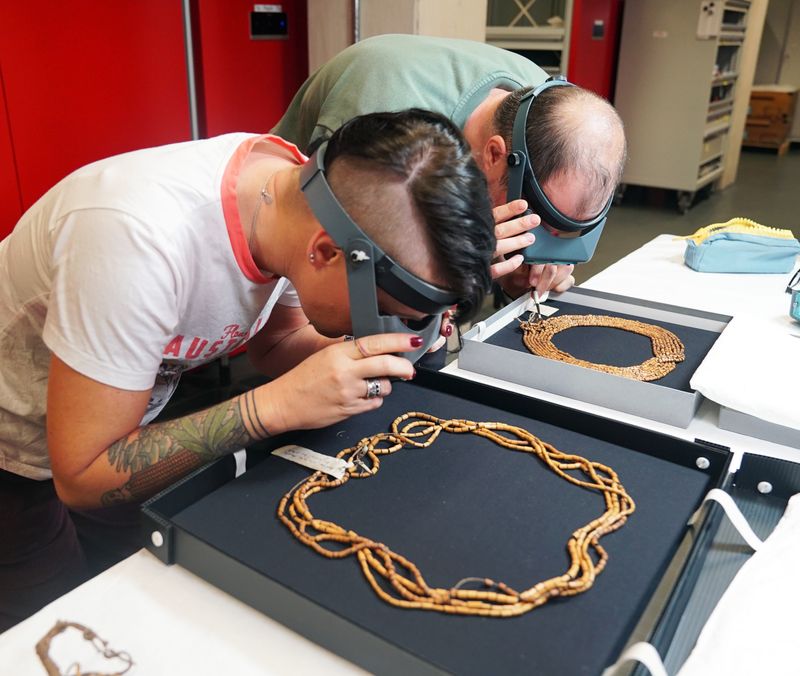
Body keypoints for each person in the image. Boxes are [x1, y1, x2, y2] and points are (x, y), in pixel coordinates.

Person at [0, 109, 495, 630]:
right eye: (387, 310)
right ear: (328, 252)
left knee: (147, 588)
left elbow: (277, 341)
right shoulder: (138, 242)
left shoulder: (298, 195)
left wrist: (356, 365)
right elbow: (80, 476)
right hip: (17, 451)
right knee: (66, 626)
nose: (394, 327)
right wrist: (274, 406)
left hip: (115, 422)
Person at [273, 34, 627, 298]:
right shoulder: (383, 120)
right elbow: (343, 269)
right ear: (493, 154)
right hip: (288, 228)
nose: (536, 238)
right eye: (535, 220)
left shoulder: (545, 104)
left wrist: (524, 269)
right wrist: (461, 265)